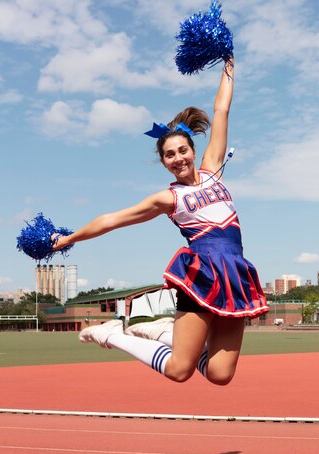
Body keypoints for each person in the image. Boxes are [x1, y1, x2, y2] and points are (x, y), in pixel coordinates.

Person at [52, 59, 268, 385]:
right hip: (202, 276)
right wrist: (70, 238)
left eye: (182, 150)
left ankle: (166, 333)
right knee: (180, 370)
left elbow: (221, 110)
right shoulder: (169, 199)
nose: (178, 158)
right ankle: (112, 334)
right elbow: (113, 219)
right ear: (165, 163)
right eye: (170, 155)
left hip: (234, 275)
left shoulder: (213, 169)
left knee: (220, 375)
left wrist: (229, 67)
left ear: (193, 151)